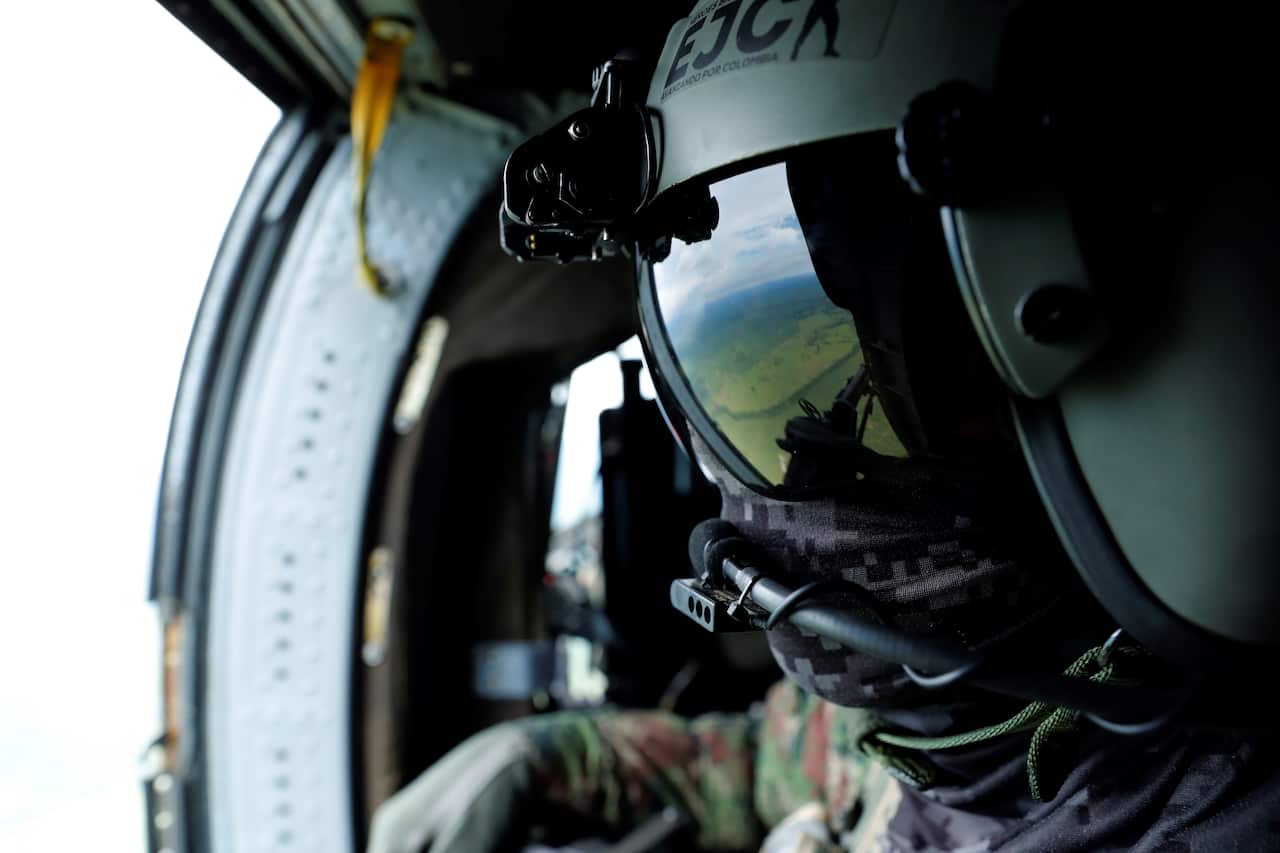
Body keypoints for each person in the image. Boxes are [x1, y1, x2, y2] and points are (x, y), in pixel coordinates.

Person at [371, 0, 1280, 849]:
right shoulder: (949, 709)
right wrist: (548, 756)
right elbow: (750, 764)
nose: (798, 487)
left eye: (920, 354)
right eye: (857, 338)